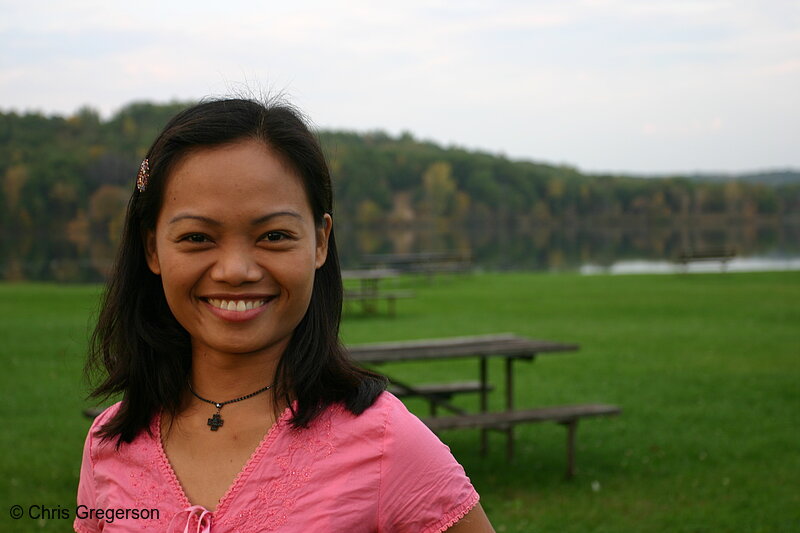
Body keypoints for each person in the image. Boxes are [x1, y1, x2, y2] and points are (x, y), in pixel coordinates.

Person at [75, 98, 495, 532]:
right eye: (197, 237)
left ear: (319, 242)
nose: (235, 271)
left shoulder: (387, 442)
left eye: (274, 235)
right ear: (152, 249)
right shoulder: (110, 443)